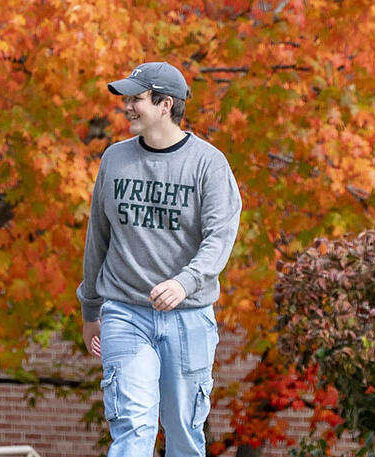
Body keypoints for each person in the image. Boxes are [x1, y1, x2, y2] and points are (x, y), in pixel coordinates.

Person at [78, 62, 242, 457]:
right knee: (133, 424)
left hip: (189, 316)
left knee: (184, 432)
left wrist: (185, 282)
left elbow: (219, 238)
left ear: (165, 104)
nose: (127, 107)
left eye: (136, 99)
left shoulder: (208, 164)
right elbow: (98, 237)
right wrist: (90, 310)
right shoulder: (115, 159)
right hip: (125, 313)